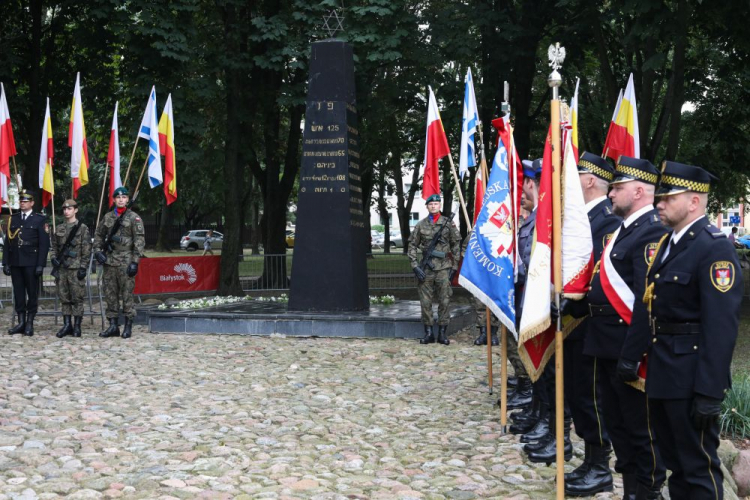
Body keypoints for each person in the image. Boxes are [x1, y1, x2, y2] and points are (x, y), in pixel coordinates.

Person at [625, 162, 742, 499]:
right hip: (664, 372)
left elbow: (721, 327)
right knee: (675, 464)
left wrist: (709, 391)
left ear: (694, 201)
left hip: (690, 379)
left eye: (667, 198)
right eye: (657, 197)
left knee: (698, 468)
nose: (658, 203)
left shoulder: (713, 247)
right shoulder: (668, 243)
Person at [582, 156, 667, 498]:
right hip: (604, 341)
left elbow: (645, 302)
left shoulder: (652, 233)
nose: (612, 194)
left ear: (639, 190)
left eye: (618, 188)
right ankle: (631, 487)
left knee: (640, 427)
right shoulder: (622, 230)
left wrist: (632, 354)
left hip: (628, 345)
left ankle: (647, 490)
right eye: (612, 187)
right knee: (617, 423)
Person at [558, 152, 622, 495]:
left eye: (577, 175)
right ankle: (590, 461)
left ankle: (600, 466)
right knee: (578, 393)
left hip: (590, 323)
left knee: (590, 397)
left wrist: (575, 304)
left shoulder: (606, 223)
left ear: (591, 180)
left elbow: (599, 273)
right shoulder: (582, 219)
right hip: (575, 322)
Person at [505, 160, 539, 422]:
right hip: (522, 295)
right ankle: (532, 398)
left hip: (532, 297)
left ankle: (533, 397)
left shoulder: (541, 219)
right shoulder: (532, 221)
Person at [407, 193, 461, 346]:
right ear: (427, 206)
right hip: (426, 270)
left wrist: (455, 266)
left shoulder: (448, 224)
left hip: (444, 268)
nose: (433, 206)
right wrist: (415, 265)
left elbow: (456, 244)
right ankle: (429, 332)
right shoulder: (421, 225)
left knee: (445, 300)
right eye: (431, 204)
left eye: (436, 204)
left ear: (440, 206)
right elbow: (411, 245)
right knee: (425, 302)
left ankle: (442, 333)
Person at [93, 186, 145, 339]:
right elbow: (98, 235)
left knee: (127, 295)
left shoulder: (134, 218)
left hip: (126, 262)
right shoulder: (108, 217)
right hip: (109, 262)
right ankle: (113, 326)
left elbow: (139, 240)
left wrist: (135, 262)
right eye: (118, 197)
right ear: (114, 200)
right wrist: (97, 251)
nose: (121, 200)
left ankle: (128, 326)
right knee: (110, 295)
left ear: (127, 200)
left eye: (124, 197)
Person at [2, 189, 50, 336]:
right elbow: (8, 243)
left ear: (32, 203)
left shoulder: (39, 219)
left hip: (31, 262)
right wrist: (6, 263)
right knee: (19, 293)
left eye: (25, 201)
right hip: (16, 262)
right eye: (21, 201)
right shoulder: (13, 219)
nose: (22, 203)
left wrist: (40, 264)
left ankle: (30, 322)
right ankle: (21, 322)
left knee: (32, 293)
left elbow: (44, 244)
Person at [51, 199, 92, 338]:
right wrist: (53, 258)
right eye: (64, 209)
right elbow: (54, 247)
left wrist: (83, 267)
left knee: (77, 298)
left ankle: (77, 326)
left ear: (75, 210)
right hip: (62, 269)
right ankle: (67, 325)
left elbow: (86, 250)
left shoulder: (83, 228)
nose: (66, 211)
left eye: (69, 209)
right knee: (64, 298)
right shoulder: (60, 228)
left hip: (75, 268)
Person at [461, 229, 500, 346]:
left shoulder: (501, 232)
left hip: (495, 273)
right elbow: (464, 249)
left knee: (495, 304)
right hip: (480, 273)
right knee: (480, 304)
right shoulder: (476, 232)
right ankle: (483, 332)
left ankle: (493, 333)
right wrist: (471, 261)